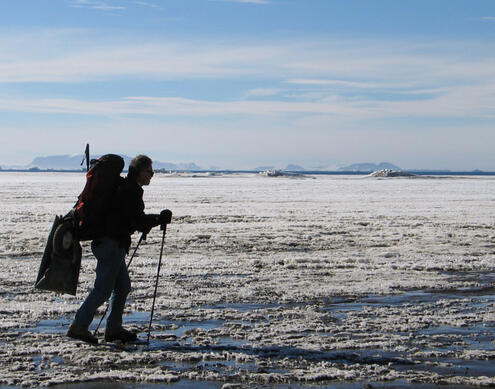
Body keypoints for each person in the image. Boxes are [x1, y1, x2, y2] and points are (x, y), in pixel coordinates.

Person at [67, 155, 172, 344]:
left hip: (110, 244)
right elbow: (137, 220)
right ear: (140, 171)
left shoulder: (125, 188)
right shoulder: (130, 190)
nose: (152, 175)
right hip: (111, 245)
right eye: (150, 171)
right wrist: (158, 219)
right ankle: (79, 326)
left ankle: (113, 328)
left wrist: (153, 220)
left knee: (122, 286)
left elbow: (130, 218)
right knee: (103, 290)